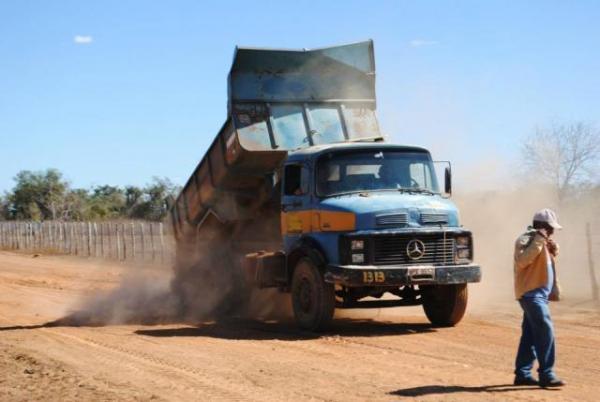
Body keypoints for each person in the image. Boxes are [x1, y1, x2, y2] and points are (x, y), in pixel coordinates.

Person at [513, 208, 565, 388]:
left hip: (540, 295)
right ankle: (547, 373)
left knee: (530, 334)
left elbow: (543, 262)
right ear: (541, 226)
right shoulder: (526, 239)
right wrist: (539, 241)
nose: (552, 232)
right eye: (550, 229)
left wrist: (551, 248)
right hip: (531, 294)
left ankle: (522, 374)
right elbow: (522, 261)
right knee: (545, 328)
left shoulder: (541, 242)